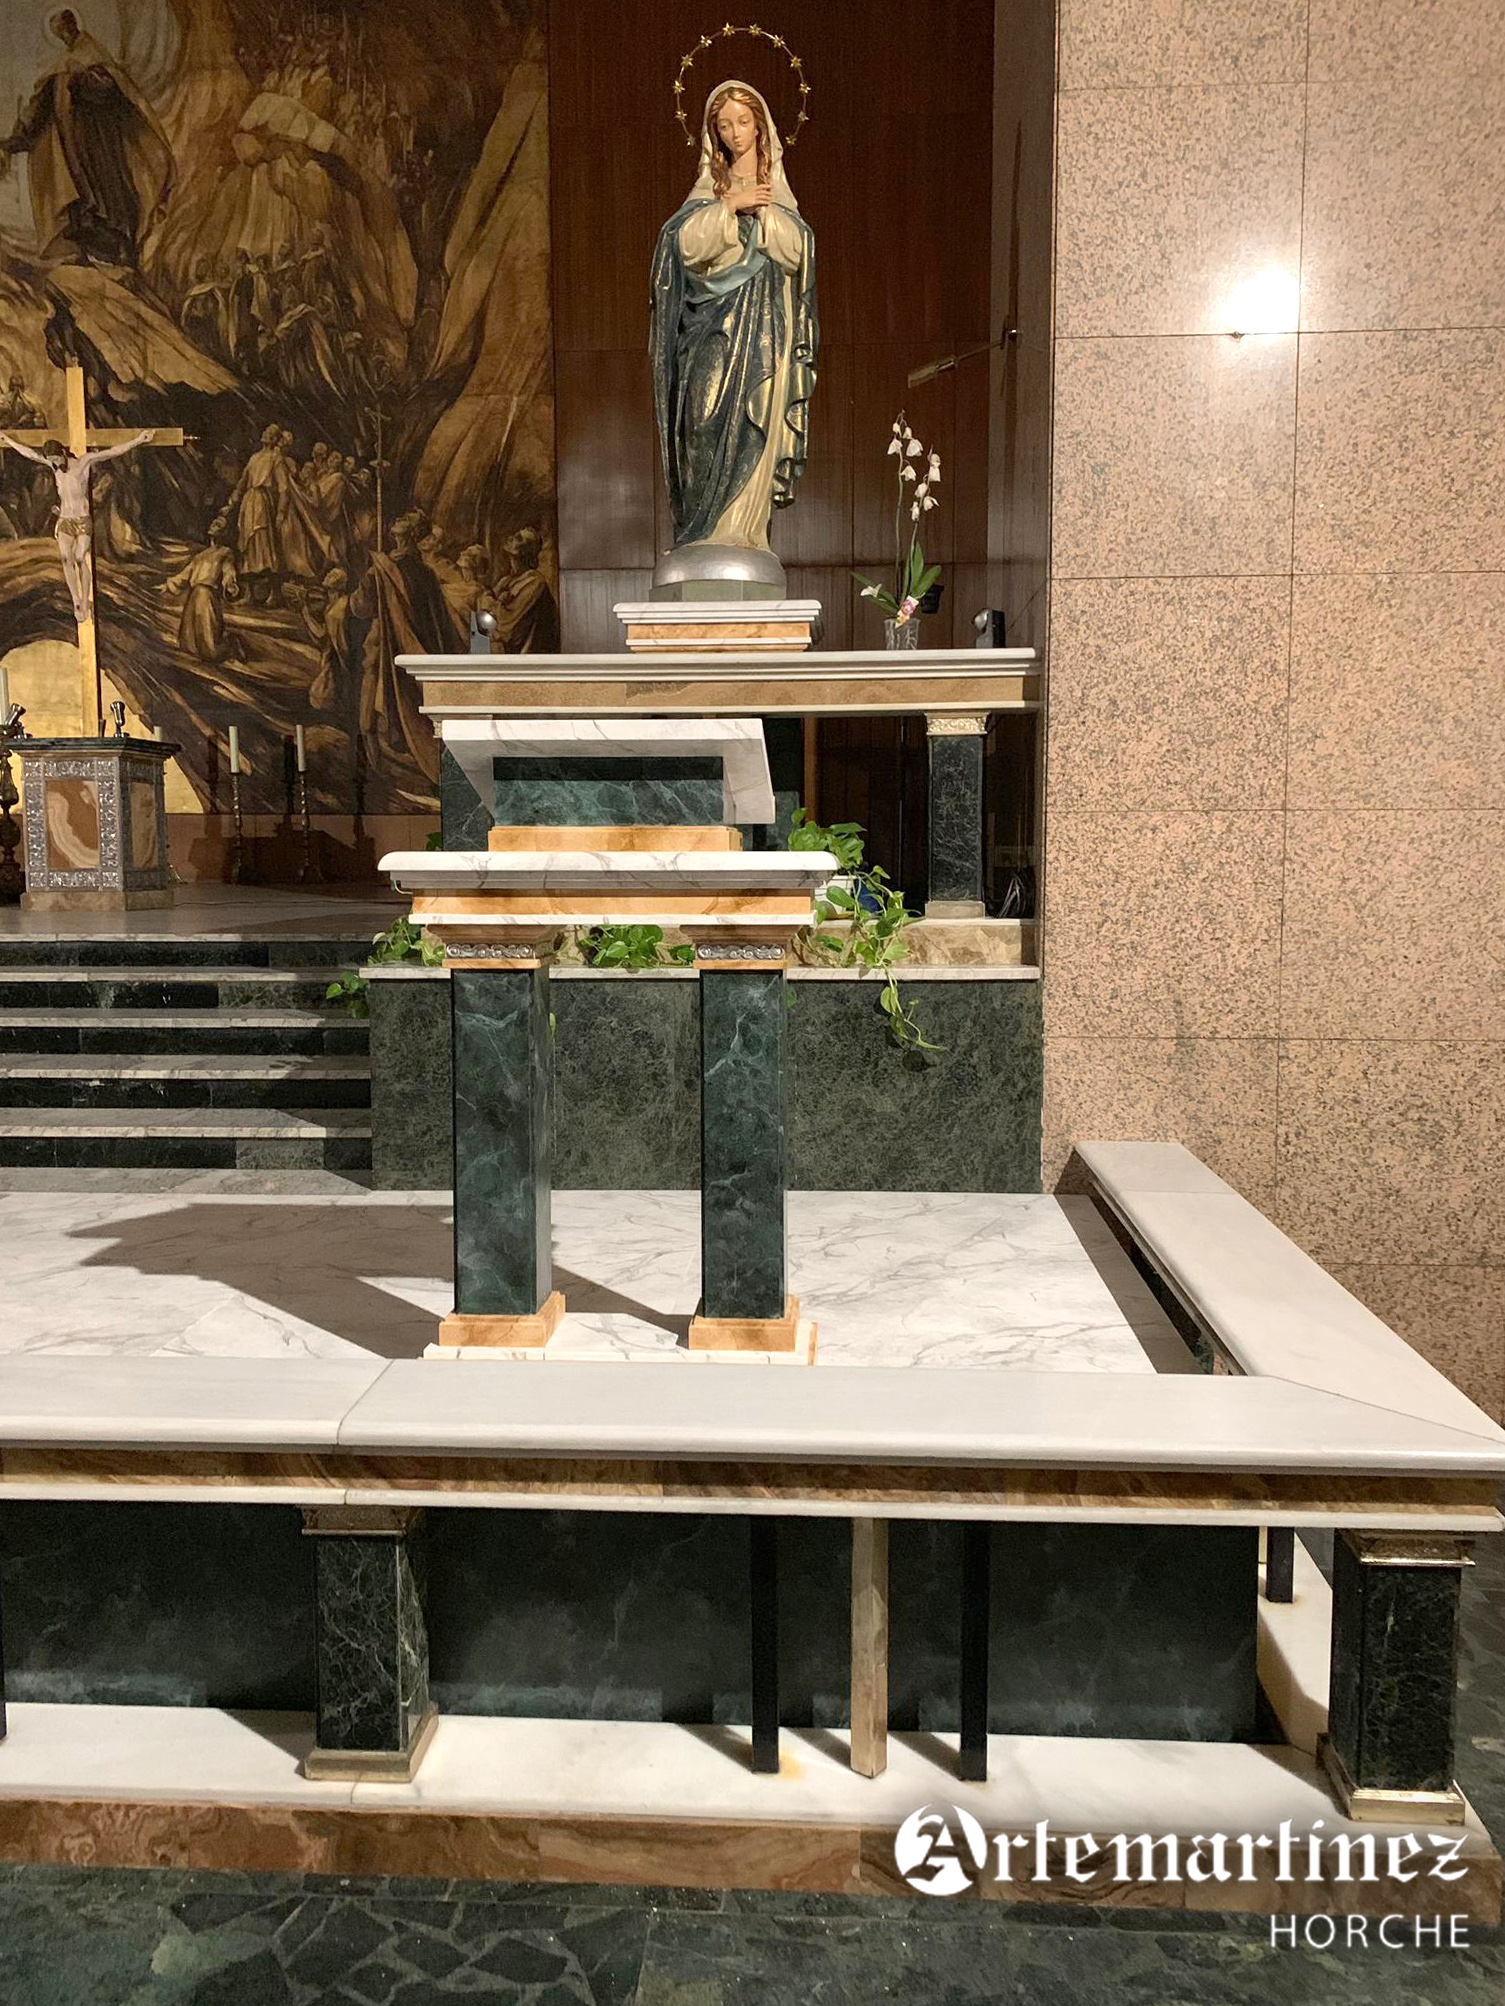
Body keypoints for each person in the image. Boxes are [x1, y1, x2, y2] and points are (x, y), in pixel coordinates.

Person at [649, 80, 817, 562]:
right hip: (708, 331)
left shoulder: (777, 197)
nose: (735, 133)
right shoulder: (707, 194)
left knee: (755, 417)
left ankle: (743, 535)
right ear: (714, 134)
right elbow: (682, 247)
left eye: (744, 122)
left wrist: (764, 213)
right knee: (701, 421)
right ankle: (701, 532)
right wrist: (730, 206)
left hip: (764, 334)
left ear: (760, 128)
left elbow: (799, 253)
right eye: (724, 125)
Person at [0, 10, 173, 267]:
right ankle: (90, 248)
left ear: (73, 25)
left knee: (111, 192)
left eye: (64, 28)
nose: (64, 34)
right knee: (81, 194)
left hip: (103, 142)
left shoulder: (94, 56)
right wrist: (15, 140)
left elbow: (115, 92)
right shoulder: (61, 68)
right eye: (59, 32)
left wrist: (84, 80)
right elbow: (39, 111)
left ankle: (121, 247)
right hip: (74, 146)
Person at [0, 426, 153, 623]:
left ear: (63, 453)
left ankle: (85, 598)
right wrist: (8, 440)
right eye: (51, 461)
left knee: (80, 558)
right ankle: (76, 601)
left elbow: (112, 452)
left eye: (56, 459)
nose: (54, 464)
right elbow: (30, 453)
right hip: (65, 520)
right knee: (66, 559)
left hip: (81, 520)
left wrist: (139, 440)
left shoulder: (83, 463)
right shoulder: (53, 466)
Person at [165, 514, 240, 661]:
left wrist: (230, 585)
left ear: (224, 531)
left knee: (209, 649)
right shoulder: (201, 555)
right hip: (193, 598)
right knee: (189, 645)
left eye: (219, 525)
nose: (214, 526)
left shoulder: (225, 552)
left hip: (207, 596)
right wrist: (169, 584)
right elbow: (186, 573)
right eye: (214, 523)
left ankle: (232, 645)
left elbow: (228, 571)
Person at [489, 526, 559, 653]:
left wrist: (496, 603)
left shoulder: (535, 583)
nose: (512, 538)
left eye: (519, 538)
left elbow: (508, 628)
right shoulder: (507, 581)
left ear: (525, 551)